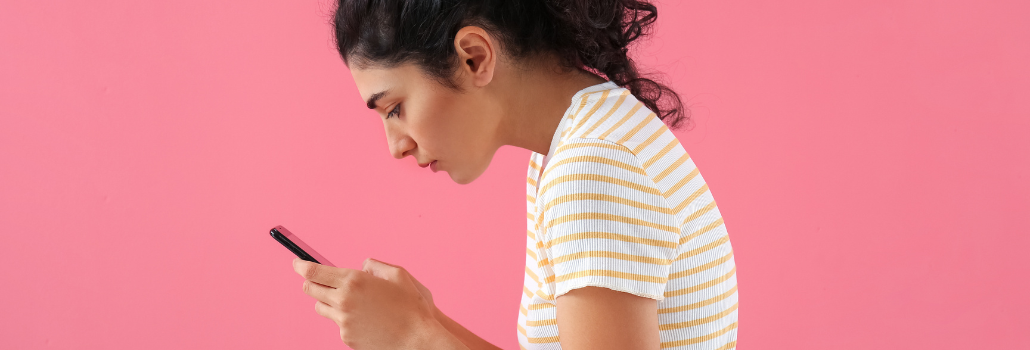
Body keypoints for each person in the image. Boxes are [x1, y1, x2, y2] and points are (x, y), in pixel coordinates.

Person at [290, 0, 739, 349]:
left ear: (473, 57)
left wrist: (414, 338)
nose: (396, 146)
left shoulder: (592, 167)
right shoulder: (584, 138)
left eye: (395, 108)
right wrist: (426, 320)